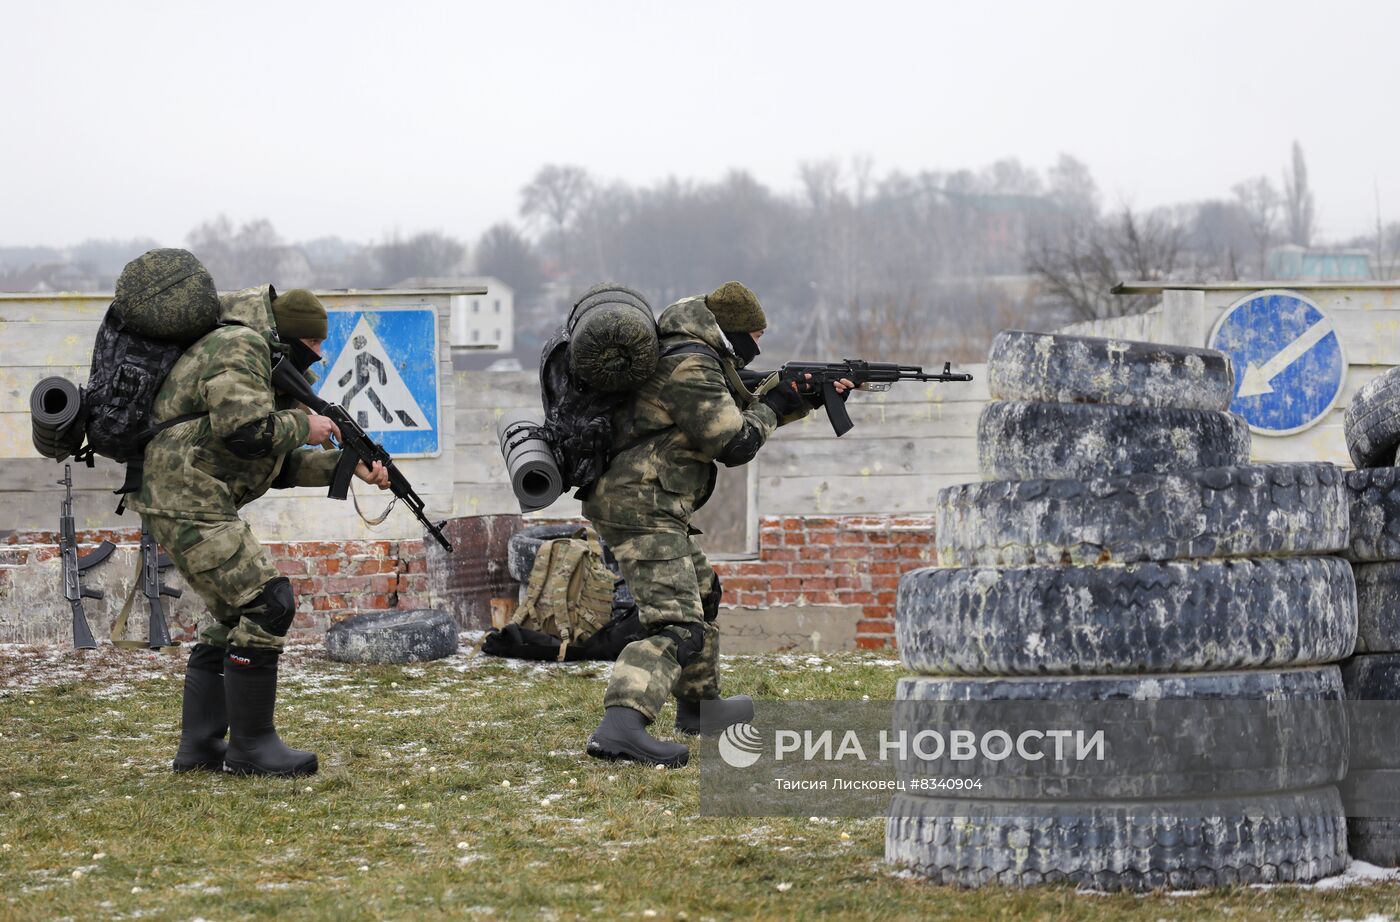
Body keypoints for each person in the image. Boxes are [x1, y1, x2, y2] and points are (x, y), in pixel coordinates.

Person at [584, 281, 850, 767]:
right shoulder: (691, 365)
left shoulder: (692, 355)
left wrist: (798, 398)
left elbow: (730, 415)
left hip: (652, 500)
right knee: (677, 624)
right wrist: (778, 403)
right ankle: (621, 725)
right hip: (639, 505)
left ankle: (700, 708)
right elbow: (734, 443)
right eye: (755, 334)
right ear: (730, 329)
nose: (759, 346)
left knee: (702, 594)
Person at [129, 284, 390, 777]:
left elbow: (274, 463)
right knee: (268, 602)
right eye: (315, 343)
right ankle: (251, 748)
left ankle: (201, 746)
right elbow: (244, 431)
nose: (321, 353)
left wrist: (347, 465)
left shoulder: (259, 356)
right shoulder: (241, 345)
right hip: (185, 494)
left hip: (189, 492)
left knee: (235, 613)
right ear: (293, 336)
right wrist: (304, 426)